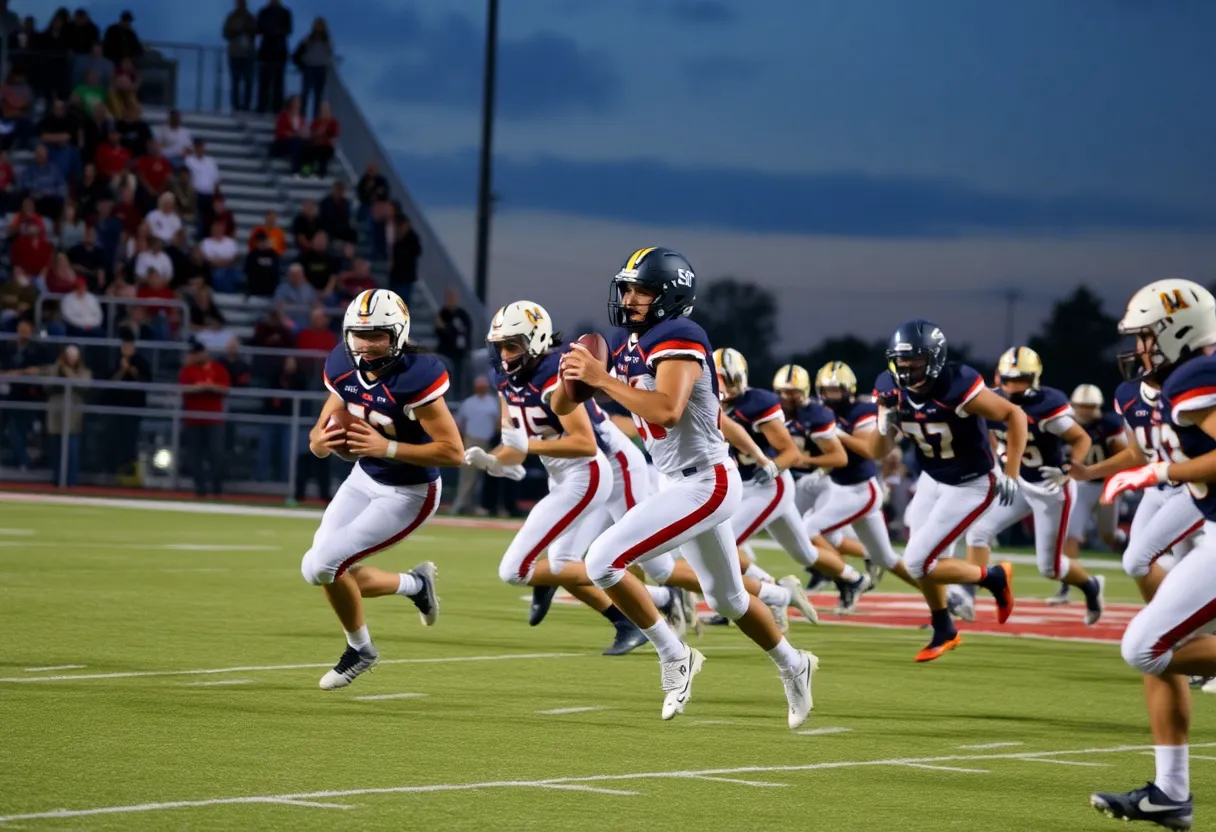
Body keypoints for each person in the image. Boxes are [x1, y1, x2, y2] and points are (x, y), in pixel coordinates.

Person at [558, 247, 816, 727]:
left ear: (669, 296)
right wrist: (569, 377)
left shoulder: (680, 335)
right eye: (627, 288)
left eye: (642, 290)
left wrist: (602, 379)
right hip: (678, 480)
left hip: (707, 482)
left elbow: (666, 410)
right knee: (727, 600)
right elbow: (563, 406)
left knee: (602, 561)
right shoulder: (626, 343)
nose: (629, 298)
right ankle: (794, 663)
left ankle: (674, 653)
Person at [1088, 278, 1216, 830]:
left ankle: (1171, 792)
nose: (1138, 348)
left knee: (1145, 645)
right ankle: (1170, 793)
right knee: (1155, 642)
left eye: (1145, 336)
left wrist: (1160, 471)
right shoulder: (1179, 380)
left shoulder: (1195, 376)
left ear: (1176, 332)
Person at [466, 301, 651, 655]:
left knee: (517, 570)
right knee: (563, 563)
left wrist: (526, 446)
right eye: (500, 346)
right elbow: (514, 444)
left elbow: (584, 443)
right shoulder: (505, 378)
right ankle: (626, 621)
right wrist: (493, 461)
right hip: (565, 473)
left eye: (511, 345)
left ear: (535, 341)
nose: (504, 355)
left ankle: (656, 598)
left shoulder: (555, 373)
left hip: (596, 469)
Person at [303, 288, 464, 690]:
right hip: (364, 478)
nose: (366, 344)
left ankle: (361, 649)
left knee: (324, 566)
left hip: (410, 492)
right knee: (318, 569)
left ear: (398, 334)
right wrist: (322, 441)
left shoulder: (416, 376)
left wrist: (386, 447)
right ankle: (415, 585)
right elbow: (320, 435)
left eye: (376, 335)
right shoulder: (342, 366)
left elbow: (453, 452)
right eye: (359, 334)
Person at [865, 319, 1025, 662]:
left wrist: (1011, 471)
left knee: (917, 561)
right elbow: (876, 452)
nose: (905, 371)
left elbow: (1014, 416)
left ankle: (993, 577)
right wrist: (883, 423)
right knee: (921, 555)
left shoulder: (957, 385)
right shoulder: (889, 388)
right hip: (933, 477)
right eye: (900, 363)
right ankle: (944, 628)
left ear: (934, 360)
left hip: (972, 481)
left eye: (915, 363)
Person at [715, 347, 872, 611]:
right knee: (804, 552)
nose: (724, 388)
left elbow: (790, 452)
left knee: (723, 543)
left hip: (769, 484)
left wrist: (773, 467)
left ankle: (764, 590)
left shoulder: (756, 403)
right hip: (743, 483)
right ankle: (852, 578)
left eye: (729, 380)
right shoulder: (702, 401)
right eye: (718, 380)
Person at [961, 346, 1106, 625]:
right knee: (978, 531)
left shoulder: (1047, 406)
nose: (1015, 386)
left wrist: (1069, 468)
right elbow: (988, 433)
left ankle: (1091, 586)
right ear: (998, 378)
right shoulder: (990, 401)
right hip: (1018, 482)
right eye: (1009, 379)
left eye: (1022, 379)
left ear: (1035, 379)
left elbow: (1082, 439)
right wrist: (998, 458)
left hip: (1050, 487)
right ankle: (967, 597)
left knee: (1050, 568)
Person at [1070, 375, 1204, 605]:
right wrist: (1090, 472)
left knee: (1144, 560)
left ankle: (1174, 618)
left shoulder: (1191, 384)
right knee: (1152, 563)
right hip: (1157, 489)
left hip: (1191, 488)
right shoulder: (1128, 394)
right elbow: (1137, 453)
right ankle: (1179, 619)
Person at [799, 361, 918, 596]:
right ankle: (948, 597)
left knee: (809, 528)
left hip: (861, 489)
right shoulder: (819, 413)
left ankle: (850, 579)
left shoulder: (860, 411)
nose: (831, 395)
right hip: (839, 488)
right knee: (885, 558)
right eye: (827, 390)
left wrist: (838, 434)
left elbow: (869, 450)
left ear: (849, 390)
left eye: (836, 390)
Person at [1050, 383, 1130, 606]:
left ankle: (1125, 543)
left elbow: (1123, 457)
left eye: (1090, 406)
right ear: (1073, 405)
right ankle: (1067, 586)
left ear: (1098, 407)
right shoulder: (1064, 424)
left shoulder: (1109, 426)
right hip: (1080, 485)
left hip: (1106, 483)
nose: (1085, 411)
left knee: (1108, 536)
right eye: (1081, 406)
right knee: (1070, 535)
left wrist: (1118, 484)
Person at [179, 341, 231, 497]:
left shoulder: (218, 368)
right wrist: (199, 387)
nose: (198, 356)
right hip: (193, 420)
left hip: (214, 420)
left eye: (200, 353)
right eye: (195, 354)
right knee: (195, 456)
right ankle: (200, 489)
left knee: (216, 453)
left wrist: (210, 387)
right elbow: (183, 388)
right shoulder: (188, 370)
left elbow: (225, 389)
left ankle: (216, 488)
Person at [450, 375, 501, 515]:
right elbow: (460, 423)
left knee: (490, 476)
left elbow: (498, 422)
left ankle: (487, 507)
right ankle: (462, 505)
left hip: (489, 442)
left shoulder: (493, 402)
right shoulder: (468, 403)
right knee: (468, 476)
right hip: (471, 441)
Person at [47, 344, 91, 487]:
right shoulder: (55, 369)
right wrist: (58, 367)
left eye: (74, 356)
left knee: (72, 450)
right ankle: (56, 479)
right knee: (56, 450)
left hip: (73, 417)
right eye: (68, 356)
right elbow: (47, 385)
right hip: (56, 415)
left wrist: (68, 372)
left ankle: (71, 480)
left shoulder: (84, 372)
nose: (71, 359)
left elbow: (84, 385)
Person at [435, 288, 472, 395]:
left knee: (459, 374)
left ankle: (457, 395)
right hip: (445, 350)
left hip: (459, 351)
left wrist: (447, 327)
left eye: (453, 297)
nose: (451, 300)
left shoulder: (462, 314)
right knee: (445, 374)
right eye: (449, 298)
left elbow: (466, 331)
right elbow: (439, 330)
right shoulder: (443, 313)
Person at [223, 0, 257, 112]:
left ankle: (246, 106)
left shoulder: (250, 18)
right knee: (235, 81)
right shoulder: (231, 18)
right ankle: (236, 106)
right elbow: (225, 33)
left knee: (248, 81)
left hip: (248, 55)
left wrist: (246, 30)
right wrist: (237, 31)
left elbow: (256, 32)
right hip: (235, 54)